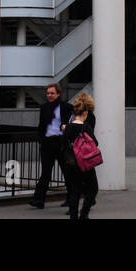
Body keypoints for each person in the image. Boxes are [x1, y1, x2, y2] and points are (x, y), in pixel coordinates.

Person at [30, 82, 73, 210]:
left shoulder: (66, 107)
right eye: (48, 93)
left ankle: (71, 200)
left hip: (61, 143)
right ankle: (39, 200)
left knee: (67, 172)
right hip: (47, 143)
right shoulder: (44, 107)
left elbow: (75, 120)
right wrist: (41, 140)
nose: (49, 95)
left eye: (52, 93)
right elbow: (41, 126)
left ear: (58, 94)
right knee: (45, 173)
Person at [60, 93, 98, 220]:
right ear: (85, 113)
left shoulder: (68, 127)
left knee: (74, 191)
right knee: (93, 188)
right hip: (84, 162)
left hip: (70, 162)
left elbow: (63, 144)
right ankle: (84, 213)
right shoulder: (86, 127)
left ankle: (73, 216)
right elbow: (95, 143)